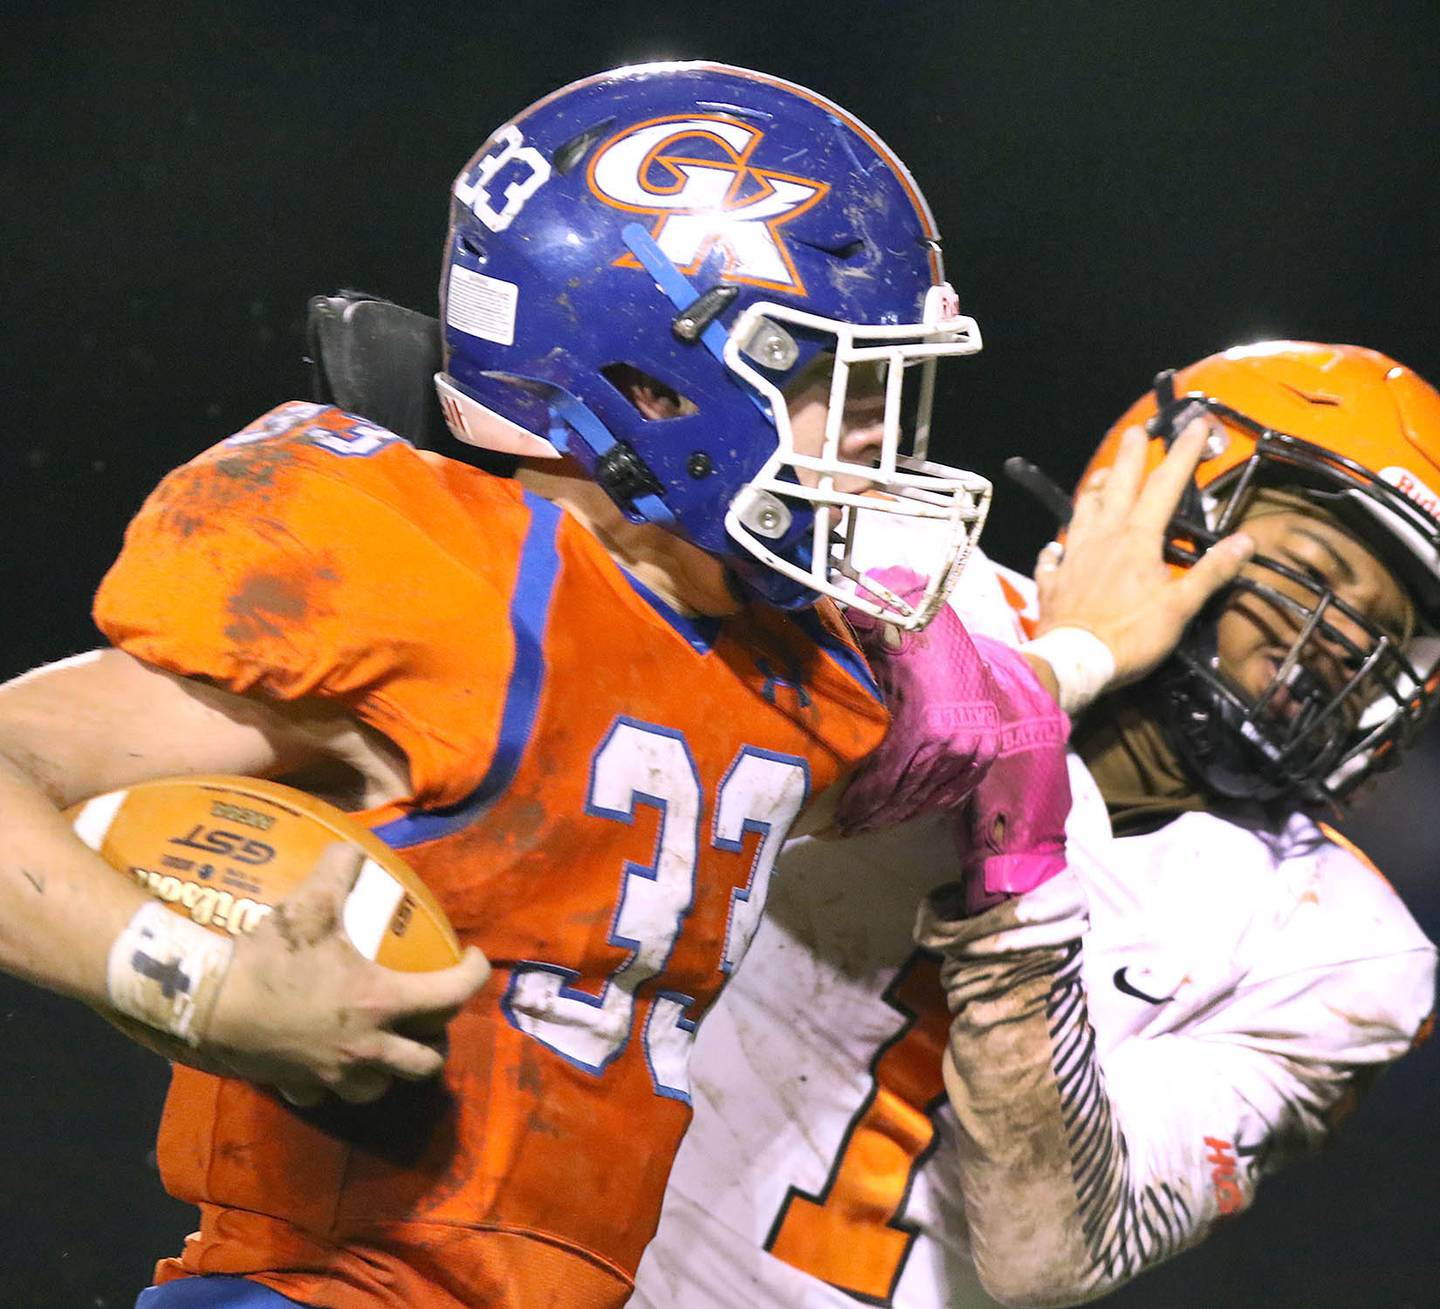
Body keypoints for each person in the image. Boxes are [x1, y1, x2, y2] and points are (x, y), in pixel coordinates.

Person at [0, 62, 1010, 1309]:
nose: (876, 445)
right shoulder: (442, 580)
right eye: (829, 385)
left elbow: (969, 714)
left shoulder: (792, 665)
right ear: (651, 383)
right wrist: (201, 986)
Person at [630, 340, 1440, 1308]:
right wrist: (1057, 669)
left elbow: (1053, 1246)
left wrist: (1022, 872)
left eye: (1387, 630)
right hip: (577, 1236)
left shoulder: (1340, 944)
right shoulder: (923, 580)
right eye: (1317, 574)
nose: (1347, 643)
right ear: (1163, 501)